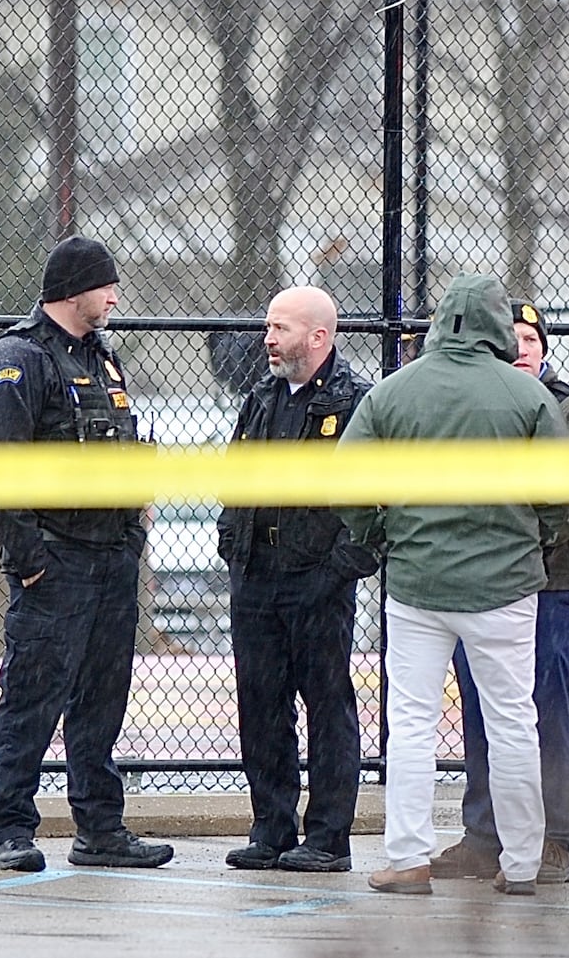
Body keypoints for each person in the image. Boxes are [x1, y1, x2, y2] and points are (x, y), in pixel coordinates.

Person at [339, 272, 569, 898]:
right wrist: (533, 538)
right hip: (506, 585)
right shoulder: (527, 396)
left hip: (417, 582)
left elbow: (347, 482)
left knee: (411, 723)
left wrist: (379, 535)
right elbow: (564, 493)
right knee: (513, 722)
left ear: (440, 323)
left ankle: (408, 858)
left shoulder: (394, 391)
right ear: (499, 327)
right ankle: (522, 863)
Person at [0, 235, 173, 873]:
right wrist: (29, 559)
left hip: (112, 555)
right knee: (33, 695)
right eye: (106, 285)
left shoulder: (102, 358)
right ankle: (11, 828)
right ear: (73, 290)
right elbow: (2, 468)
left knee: (103, 694)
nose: (115, 296)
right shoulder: (20, 358)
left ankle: (99, 828)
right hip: (56, 558)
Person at [433, 300, 569, 886]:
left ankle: (553, 838)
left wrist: (525, 539)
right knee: (482, 713)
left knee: (545, 712)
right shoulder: (475, 406)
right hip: (477, 588)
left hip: (545, 587)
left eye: (532, 337)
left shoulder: (568, 409)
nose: (522, 346)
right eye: (511, 336)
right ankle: (484, 836)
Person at [216, 286, 378, 873]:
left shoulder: (357, 401)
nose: (267, 338)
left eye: (279, 328)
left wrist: (338, 571)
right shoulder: (261, 398)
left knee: (327, 705)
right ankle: (271, 828)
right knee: (261, 702)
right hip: (257, 576)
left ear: (318, 337)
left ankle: (328, 837)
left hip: (319, 581)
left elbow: (374, 502)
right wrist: (234, 548)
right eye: (268, 326)